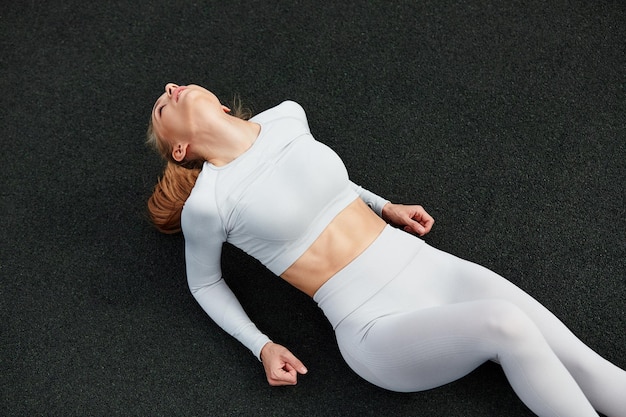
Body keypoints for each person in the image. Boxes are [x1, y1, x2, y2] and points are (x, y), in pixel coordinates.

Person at [146, 83, 626, 417]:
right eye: (161, 108)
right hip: (372, 323)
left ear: (225, 108)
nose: (170, 88)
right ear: (180, 149)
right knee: (507, 323)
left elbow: (324, 180)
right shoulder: (209, 204)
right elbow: (204, 282)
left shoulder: (287, 117)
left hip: (429, 269)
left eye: (173, 89)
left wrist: (384, 205)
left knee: (587, 363)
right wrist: (262, 346)